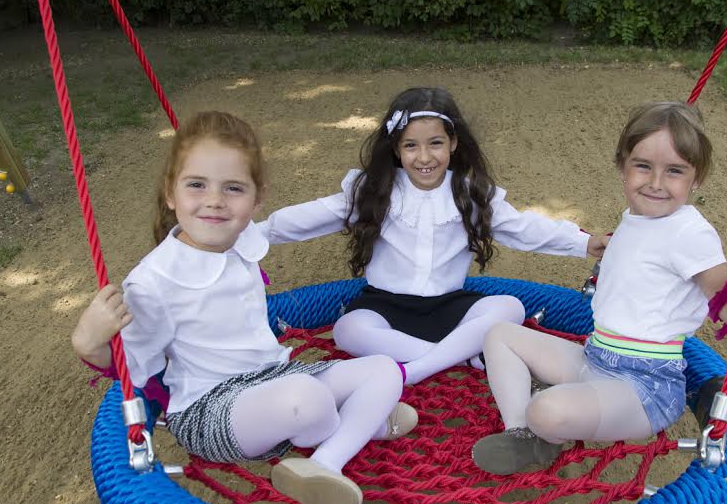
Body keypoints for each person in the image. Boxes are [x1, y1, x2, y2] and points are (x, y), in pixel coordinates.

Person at [71, 111, 417, 504]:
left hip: (276, 378)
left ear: (256, 199)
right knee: (309, 398)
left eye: (233, 188)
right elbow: (135, 368)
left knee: (385, 369)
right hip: (209, 407)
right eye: (197, 185)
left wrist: (361, 199)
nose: (215, 200)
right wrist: (89, 344)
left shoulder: (241, 237)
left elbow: (295, 221)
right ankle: (356, 424)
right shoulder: (154, 282)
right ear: (170, 193)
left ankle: (327, 460)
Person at [472, 101, 727, 475]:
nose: (656, 183)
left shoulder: (689, 233)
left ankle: (544, 421)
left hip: (645, 387)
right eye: (643, 166)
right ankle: (524, 435)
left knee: (545, 410)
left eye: (674, 171)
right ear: (622, 166)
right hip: (595, 358)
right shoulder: (636, 217)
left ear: (696, 178)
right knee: (500, 335)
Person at [259, 87, 606, 385]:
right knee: (348, 329)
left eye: (435, 143)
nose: (424, 157)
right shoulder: (375, 191)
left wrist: (583, 242)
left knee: (509, 307)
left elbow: (523, 228)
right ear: (396, 148)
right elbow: (313, 215)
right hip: (385, 307)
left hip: (449, 307)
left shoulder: (470, 194)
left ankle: (416, 369)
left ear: (453, 143)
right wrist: (256, 232)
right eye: (411, 145)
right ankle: (459, 358)